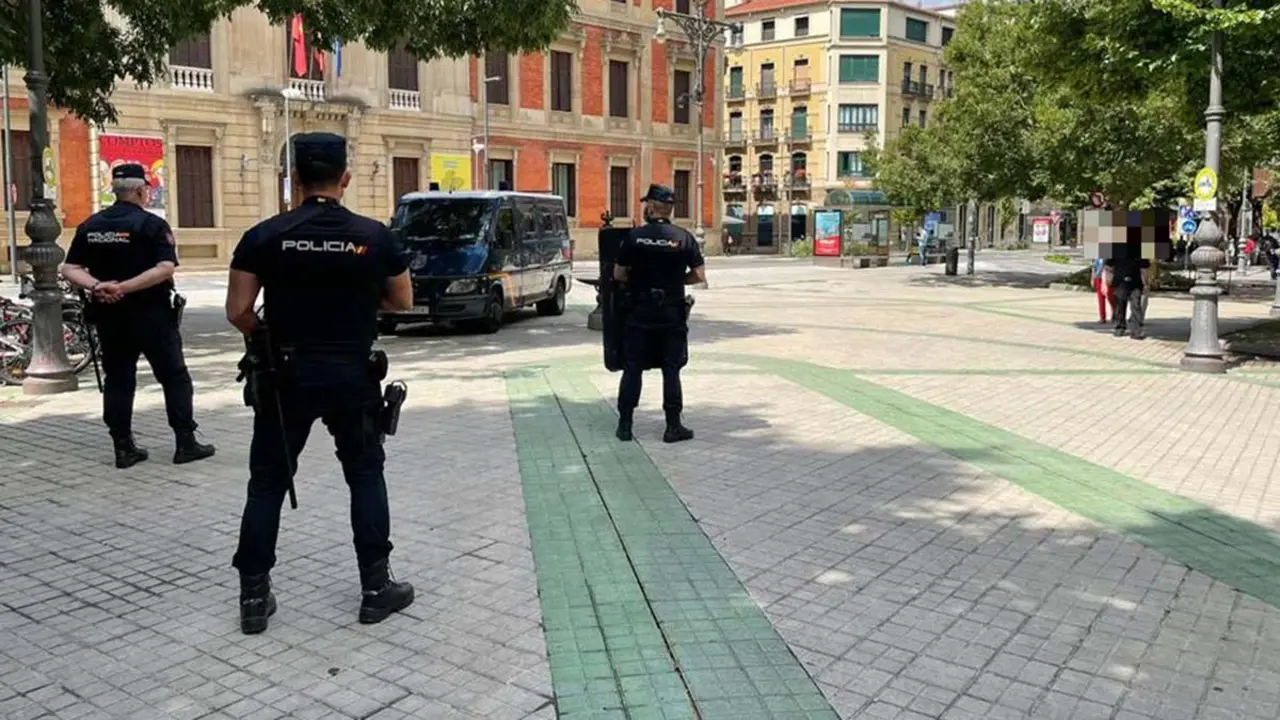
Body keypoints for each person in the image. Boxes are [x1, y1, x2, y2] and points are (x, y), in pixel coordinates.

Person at [224, 132, 416, 634]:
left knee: (266, 484)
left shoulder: (264, 236)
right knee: (365, 475)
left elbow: (238, 311)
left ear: (295, 181)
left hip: (286, 375)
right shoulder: (375, 237)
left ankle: (252, 597)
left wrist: (271, 332)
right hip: (352, 375)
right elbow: (402, 302)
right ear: (345, 179)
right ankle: (376, 589)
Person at [61, 163, 215, 469]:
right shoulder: (152, 225)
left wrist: (100, 286)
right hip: (151, 315)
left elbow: (69, 267)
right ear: (141, 191)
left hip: (109, 315)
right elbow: (165, 268)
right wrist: (126, 287)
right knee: (174, 377)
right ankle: (185, 442)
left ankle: (123, 448)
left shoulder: (90, 226)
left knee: (118, 379)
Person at [613, 184, 706, 444]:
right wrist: (676, 281)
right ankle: (673, 427)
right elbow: (699, 276)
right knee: (671, 369)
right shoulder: (684, 237)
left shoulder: (635, 237)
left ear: (651, 207)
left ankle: (625, 425)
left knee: (632, 368)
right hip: (671, 313)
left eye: (646, 203)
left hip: (640, 313)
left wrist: (637, 280)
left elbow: (618, 274)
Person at [1105, 254, 1150, 340]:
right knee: (1120, 305)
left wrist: (1146, 283)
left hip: (1136, 283)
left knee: (1136, 305)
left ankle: (1136, 330)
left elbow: (1144, 268)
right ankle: (1120, 327)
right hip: (1120, 282)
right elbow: (1108, 265)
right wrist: (1108, 278)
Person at [1090, 257, 1114, 324]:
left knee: (1110, 296)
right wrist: (1092, 277)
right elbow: (1093, 267)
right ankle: (1102, 317)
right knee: (1100, 298)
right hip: (1098, 278)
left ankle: (1115, 313)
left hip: (1107, 277)